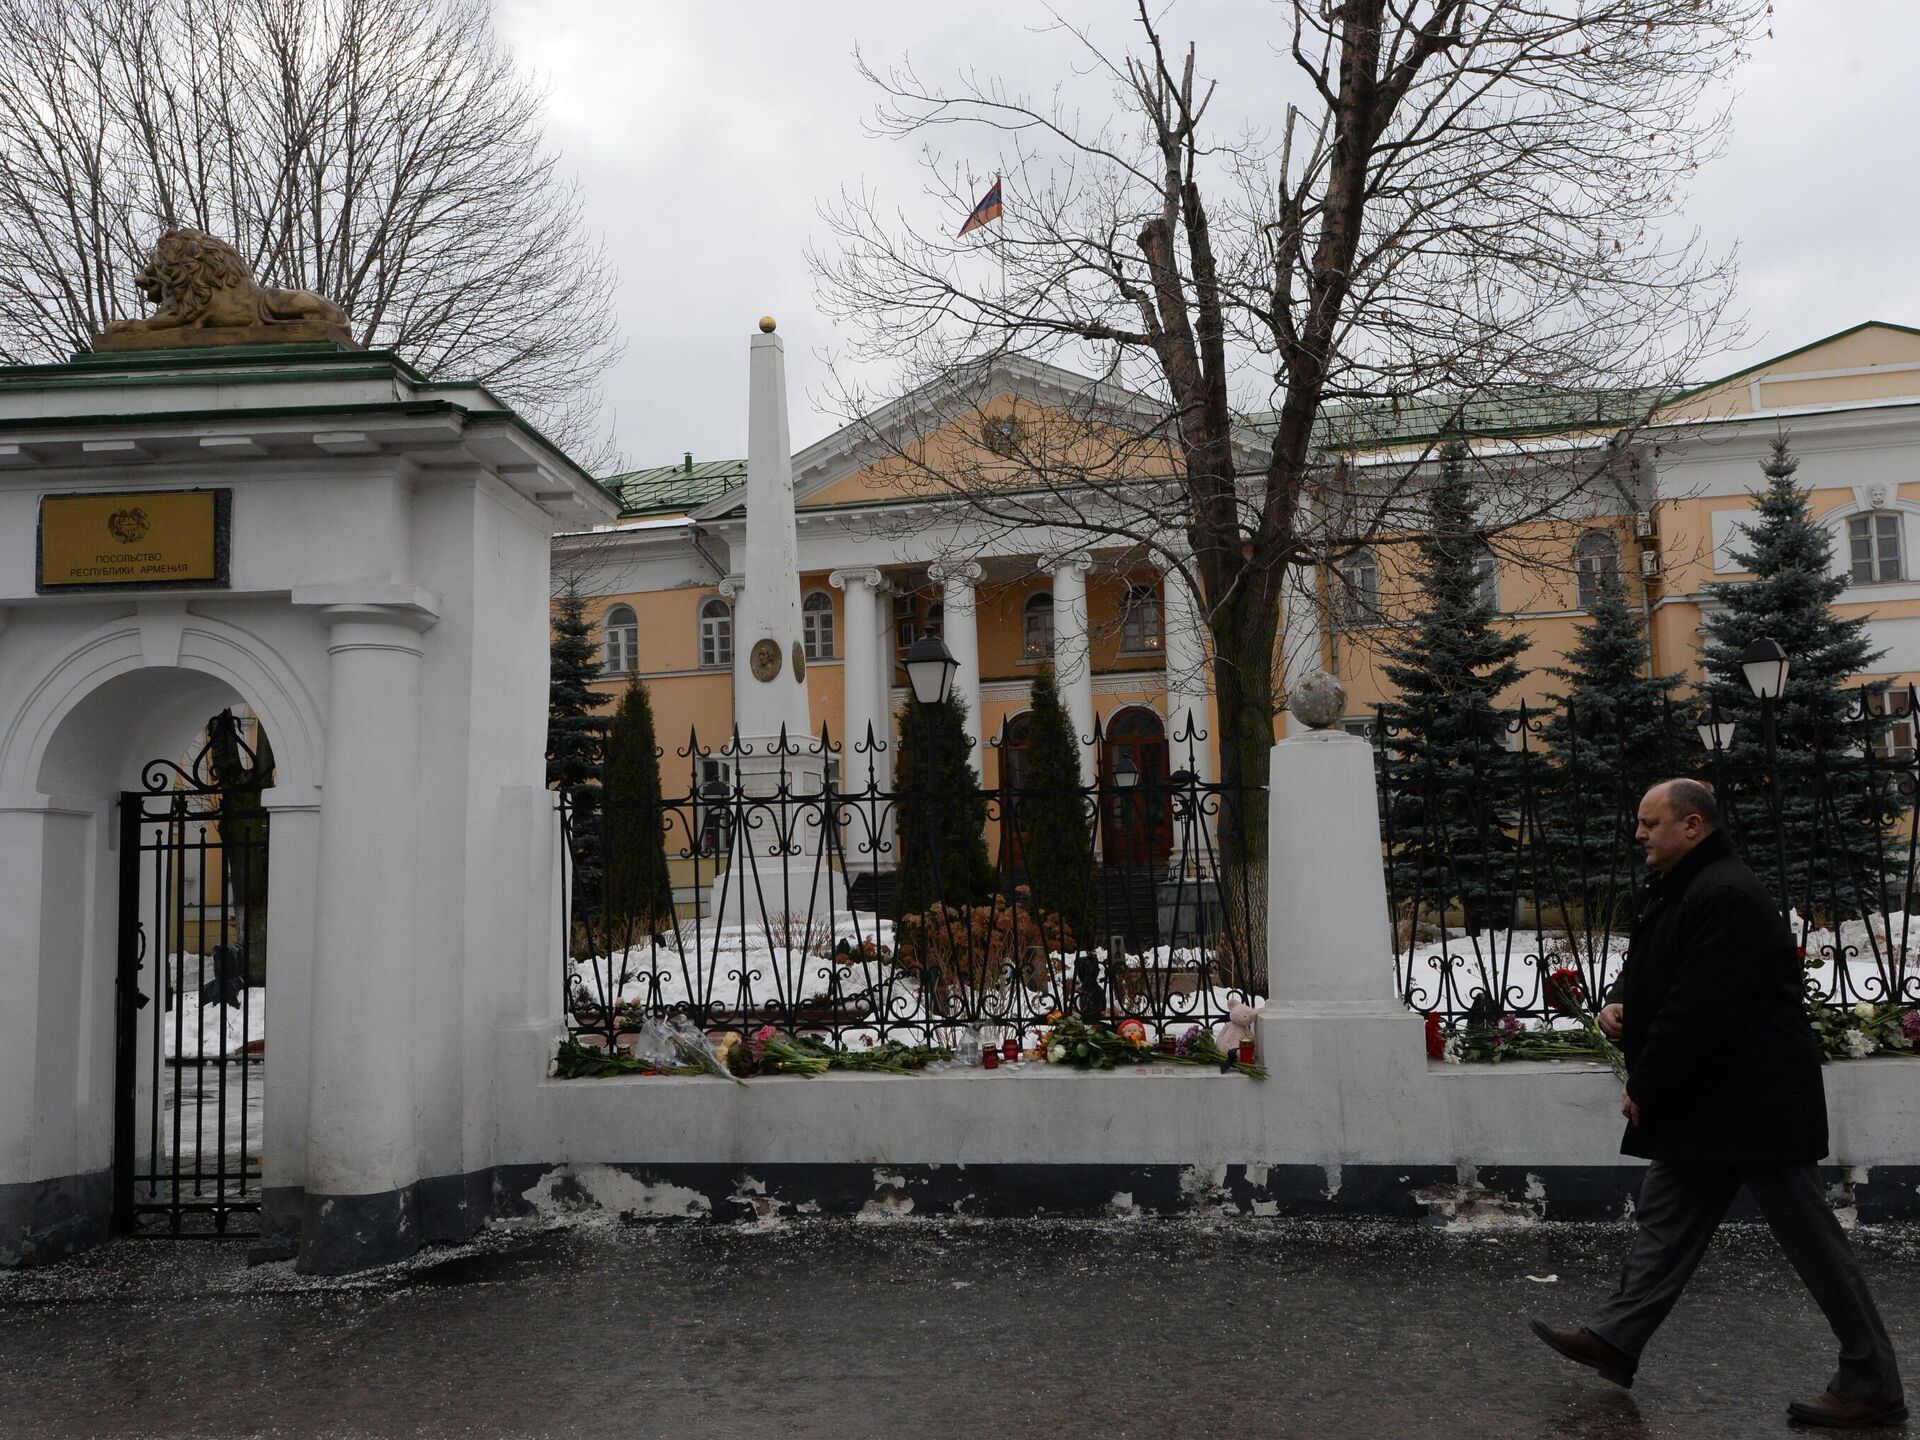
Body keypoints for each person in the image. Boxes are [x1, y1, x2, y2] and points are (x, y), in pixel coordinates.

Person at [1532, 778, 1905, 1429]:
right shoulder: (1687, 888)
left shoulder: (1725, 893)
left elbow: (1701, 1010)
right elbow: (1655, 968)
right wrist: (1620, 1001)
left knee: (1814, 1245)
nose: (1640, 834)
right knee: (1666, 1221)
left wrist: (1645, 1083)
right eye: (1640, 823)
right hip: (1713, 1102)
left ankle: (1871, 1380)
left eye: (1651, 823)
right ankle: (1617, 1338)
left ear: (1693, 826)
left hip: (1754, 1105)